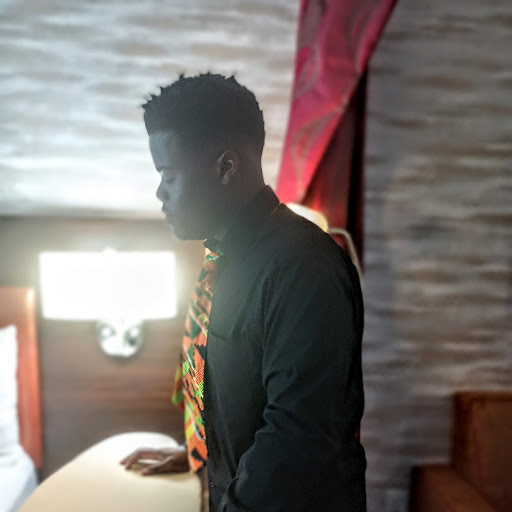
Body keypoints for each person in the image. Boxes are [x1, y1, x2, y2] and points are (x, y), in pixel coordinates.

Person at [120, 73, 366, 511]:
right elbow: (240, 400)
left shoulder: (304, 265)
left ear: (225, 167)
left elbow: (296, 436)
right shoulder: (225, 262)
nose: (159, 193)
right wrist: (202, 456)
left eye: (169, 175)